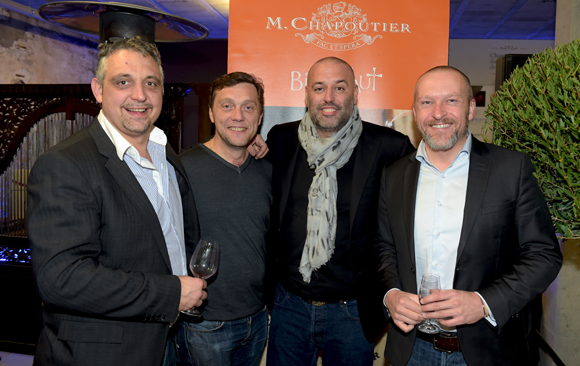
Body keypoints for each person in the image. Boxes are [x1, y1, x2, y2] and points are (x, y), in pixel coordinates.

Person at [27, 36, 207, 366]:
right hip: (102, 353)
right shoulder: (65, 163)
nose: (139, 95)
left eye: (150, 83)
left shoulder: (164, 151)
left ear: (162, 91)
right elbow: (61, 279)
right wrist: (170, 295)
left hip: (166, 340)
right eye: (123, 82)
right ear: (98, 89)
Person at [376, 66, 563, 366]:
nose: (438, 113)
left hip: (489, 350)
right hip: (412, 351)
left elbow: (544, 255)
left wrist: (483, 302)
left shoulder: (510, 170)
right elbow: (384, 248)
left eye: (451, 100)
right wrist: (392, 294)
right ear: (414, 111)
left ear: (471, 107)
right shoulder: (393, 175)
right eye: (427, 102)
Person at [266, 57, 415, 366]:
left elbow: (408, 225)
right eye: (319, 88)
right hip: (289, 304)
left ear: (355, 93)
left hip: (351, 312)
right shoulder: (281, 140)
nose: (329, 97)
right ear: (306, 94)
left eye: (339, 87)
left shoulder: (390, 147)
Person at [175, 72, 272, 365]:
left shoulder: (267, 170)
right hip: (205, 322)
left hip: (257, 318)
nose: (238, 116)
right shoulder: (182, 169)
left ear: (260, 115)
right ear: (211, 113)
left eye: (248, 107)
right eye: (227, 106)